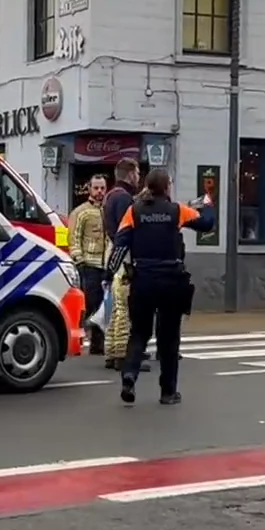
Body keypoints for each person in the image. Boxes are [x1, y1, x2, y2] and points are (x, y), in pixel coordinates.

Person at [109, 169, 215, 405]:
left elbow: (120, 244)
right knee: (168, 338)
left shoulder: (133, 211)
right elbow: (206, 224)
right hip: (171, 281)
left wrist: (110, 274)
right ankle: (168, 392)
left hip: (143, 280)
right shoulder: (177, 210)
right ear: (167, 187)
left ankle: (129, 375)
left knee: (139, 333)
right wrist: (207, 203)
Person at [100, 159, 145, 372]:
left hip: (110, 250)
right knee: (124, 306)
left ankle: (111, 351)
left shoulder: (110, 196)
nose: (138, 177)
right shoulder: (125, 198)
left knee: (114, 305)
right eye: (136, 173)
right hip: (123, 254)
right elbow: (127, 230)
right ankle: (122, 354)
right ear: (129, 173)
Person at [68, 175, 109, 355]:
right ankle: (78, 340)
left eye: (102, 188)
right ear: (90, 189)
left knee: (102, 306)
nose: (99, 192)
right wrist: (79, 260)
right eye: (96, 188)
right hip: (88, 265)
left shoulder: (108, 210)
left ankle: (97, 343)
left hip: (105, 265)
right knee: (88, 305)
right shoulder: (81, 212)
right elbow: (74, 237)